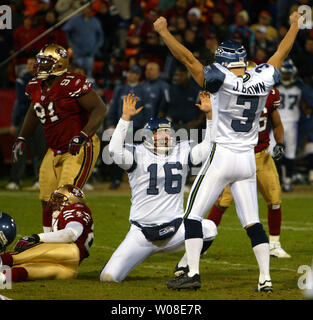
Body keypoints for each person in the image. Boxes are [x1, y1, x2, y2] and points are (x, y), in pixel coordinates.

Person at [153, 12, 302, 291]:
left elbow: (188, 60)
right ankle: (265, 279)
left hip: (221, 156)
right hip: (248, 159)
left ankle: (193, 272)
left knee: (193, 216)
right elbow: (282, 50)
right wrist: (294, 25)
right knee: (253, 222)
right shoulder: (263, 76)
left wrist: (164, 32)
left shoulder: (220, 77)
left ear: (222, 61)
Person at [100, 93, 217, 283]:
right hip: (142, 234)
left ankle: (185, 264)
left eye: (167, 132)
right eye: (159, 132)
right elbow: (114, 150)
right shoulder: (138, 154)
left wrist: (210, 115)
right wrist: (125, 118)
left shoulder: (182, 150)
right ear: (148, 136)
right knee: (108, 278)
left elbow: (209, 145)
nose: (164, 136)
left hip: (176, 229)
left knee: (209, 228)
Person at [12, 44, 106, 233]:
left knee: (65, 197)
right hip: (54, 149)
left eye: (44, 62)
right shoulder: (35, 86)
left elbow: (100, 109)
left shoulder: (72, 82)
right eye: (39, 61)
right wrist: (22, 137)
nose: (38, 66)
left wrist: (82, 135)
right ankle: (48, 240)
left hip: (80, 146)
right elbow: (34, 110)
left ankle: (70, 241)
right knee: (46, 198)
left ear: (58, 64)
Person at [207, 61, 290, 259]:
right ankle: (203, 241)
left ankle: (274, 244)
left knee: (275, 198)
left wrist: (280, 143)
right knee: (223, 201)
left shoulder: (269, 94)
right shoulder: (231, 94)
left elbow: (276, 122)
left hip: (261, 155)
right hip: (238, 154)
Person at [0, 185, 94, 283]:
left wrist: (36, 238)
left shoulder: (77, 208)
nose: (54, 201)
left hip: (69, 251)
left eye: (59, 199)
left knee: (19, 256)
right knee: (29, 269)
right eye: (54, 198)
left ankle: (2, 260)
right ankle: (3, 278)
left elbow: (71, 234)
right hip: (70, 270)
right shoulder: (59, 216)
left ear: (72, 200)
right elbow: (53, 236)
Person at [6, 57, 46, 191]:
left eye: (32, 63)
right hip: (25, 117)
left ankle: (39, 180)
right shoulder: (22, 79)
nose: (29, 66)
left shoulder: (45, 79)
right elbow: (21, 100)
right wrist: (14, 121)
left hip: (40, 117)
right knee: (19, 148)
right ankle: (16, 180)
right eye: (28, 63)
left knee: (40, 150)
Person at [275, 58, 312, 192]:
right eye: (285, 74)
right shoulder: (297, 87)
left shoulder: (299, 88)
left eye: (288, 74)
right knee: (270, 153)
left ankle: (287, 182)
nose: (286, 77)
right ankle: (280, 181)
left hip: (290, 124)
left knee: (287, 154)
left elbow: (308, 107)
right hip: (279, 123)